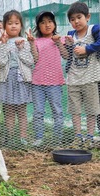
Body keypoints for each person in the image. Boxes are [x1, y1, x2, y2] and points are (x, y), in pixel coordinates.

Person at [55, 1, 100, 149]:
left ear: (87, 17)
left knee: (91, 109)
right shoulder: (70, 35)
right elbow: (67, 56)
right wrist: (64, 44)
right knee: (75, 109)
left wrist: (87, 49)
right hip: (73, 79)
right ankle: (78, 137)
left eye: (79, 17)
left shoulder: (94, 29)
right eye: (72, 19)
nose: (76, 21)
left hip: (90, 78)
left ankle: (90, 137)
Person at [25, 11, 65, 147]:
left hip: (55, 82)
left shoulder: (60, 39)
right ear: (38, 26)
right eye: (42, 22)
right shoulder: (36, 41)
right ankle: (39, 138)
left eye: (50, 21)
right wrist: (31, 43)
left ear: (54, 24)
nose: (47, 25)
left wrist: (58, 42)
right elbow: (36, 59)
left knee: (57, 111)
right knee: (38, 112)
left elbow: (66, 55)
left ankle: (57, 139)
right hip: (38, 82)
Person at [0, 10, 34, 146]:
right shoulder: (1, 43)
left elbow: (30, 61)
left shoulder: (25, 41)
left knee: (22, 111)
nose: (13, 26)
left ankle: (23, 137)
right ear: (4, 26)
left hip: (21, 79)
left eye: (16, 23)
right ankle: (10, 138)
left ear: (21, 25)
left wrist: (21, 48)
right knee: (9, 111)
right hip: (6, 80)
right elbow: (1, 62)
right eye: (10, 23)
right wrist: (4, 45)